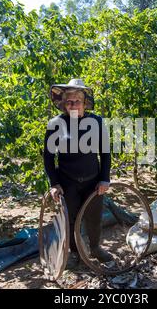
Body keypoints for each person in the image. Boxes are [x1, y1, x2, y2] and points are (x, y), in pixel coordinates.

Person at [43, 78, 113, 269]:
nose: (73, 105)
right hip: (68, 182)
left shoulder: (96, 122)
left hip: (93, 180)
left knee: (94, 216)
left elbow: (105, 153)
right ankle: (75, 252)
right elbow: (49, 158)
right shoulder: (56, 124)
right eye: (69, 101)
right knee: (71, 219)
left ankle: (96, 248)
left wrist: (104, 179)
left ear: (84, 103)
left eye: (77, 101)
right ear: (64, 104)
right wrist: (54, 184)